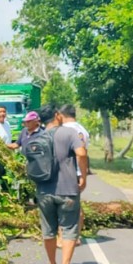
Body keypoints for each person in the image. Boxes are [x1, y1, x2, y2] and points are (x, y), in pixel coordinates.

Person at [34, 105, 88, 264]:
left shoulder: (37, 136)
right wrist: (83, 176)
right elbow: (81, 153)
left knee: (48, 229)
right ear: (57, 116)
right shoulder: (69, 133)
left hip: (43, 191)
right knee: (69, 228)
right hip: (68, 190)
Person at [57, 104, 90, 248]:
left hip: (65, 172)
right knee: (76, 206)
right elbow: (84, 155)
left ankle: (61, 238)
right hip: (77, 172)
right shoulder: (83, 130)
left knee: (61, 205)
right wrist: (84, 176)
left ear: (61, 115)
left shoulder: (64, 130)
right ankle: (76, 236)